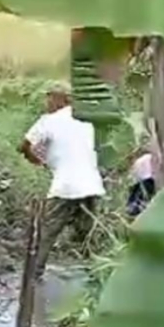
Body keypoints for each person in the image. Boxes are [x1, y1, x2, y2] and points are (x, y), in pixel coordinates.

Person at [18, 81, 105, 280]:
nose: (47, 101)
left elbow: (24, 145)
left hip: (65, 186)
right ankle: (99, 275)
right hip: (91, 184)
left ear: (62, 99)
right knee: (88, 235)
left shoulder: (49, 121)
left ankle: (34, 276)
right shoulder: (86, 120)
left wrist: (36, 160)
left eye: (50, 96)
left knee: (47, 232)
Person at [126, 151, 157, 217]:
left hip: (143, 179)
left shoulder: (140, 160)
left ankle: (135, 208)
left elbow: (135, 174)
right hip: (149, 178)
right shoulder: (149, 157)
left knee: (140, 194)